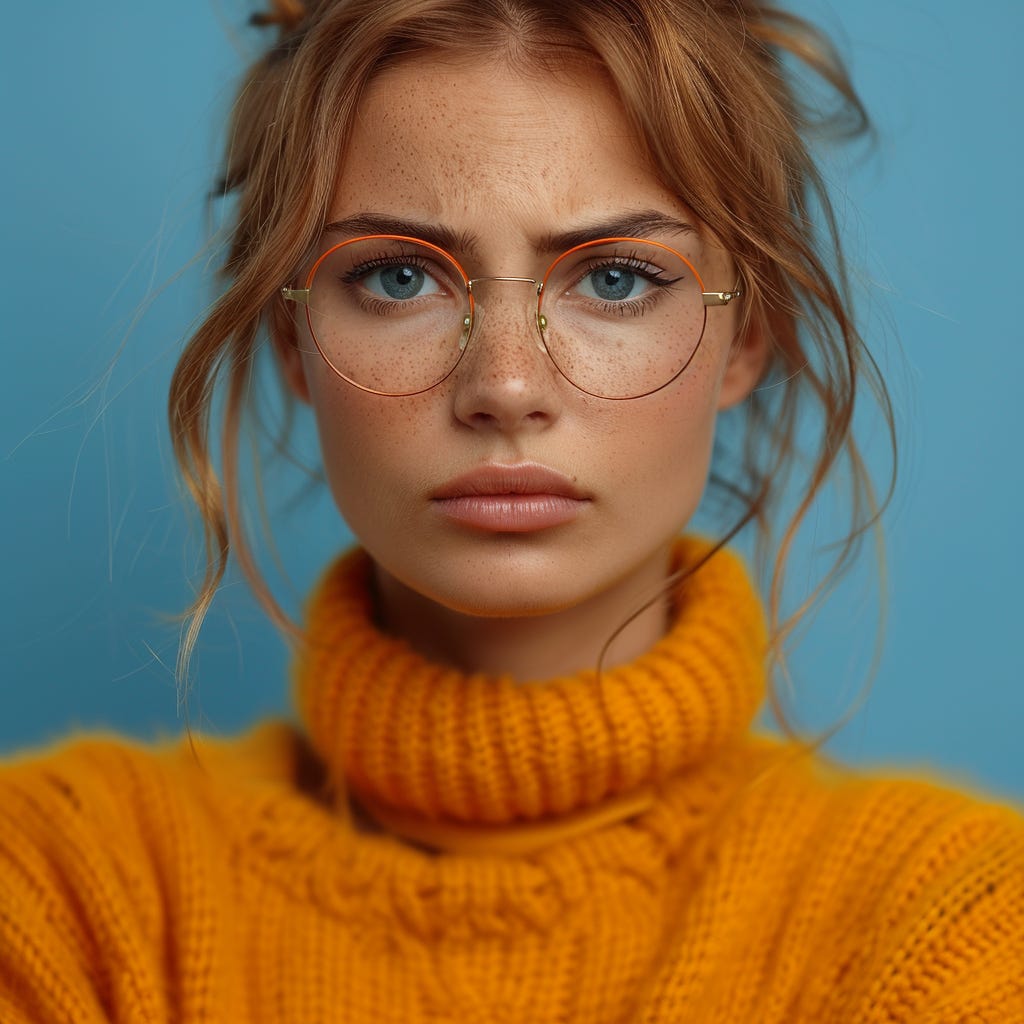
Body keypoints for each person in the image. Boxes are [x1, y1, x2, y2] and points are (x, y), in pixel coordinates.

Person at [1, 0, 1021, 1020]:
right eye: (397, 277)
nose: (505, 385)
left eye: (615, 278)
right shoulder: (62, 894)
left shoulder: (954, 928)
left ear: (743, 336)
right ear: (289, 340)